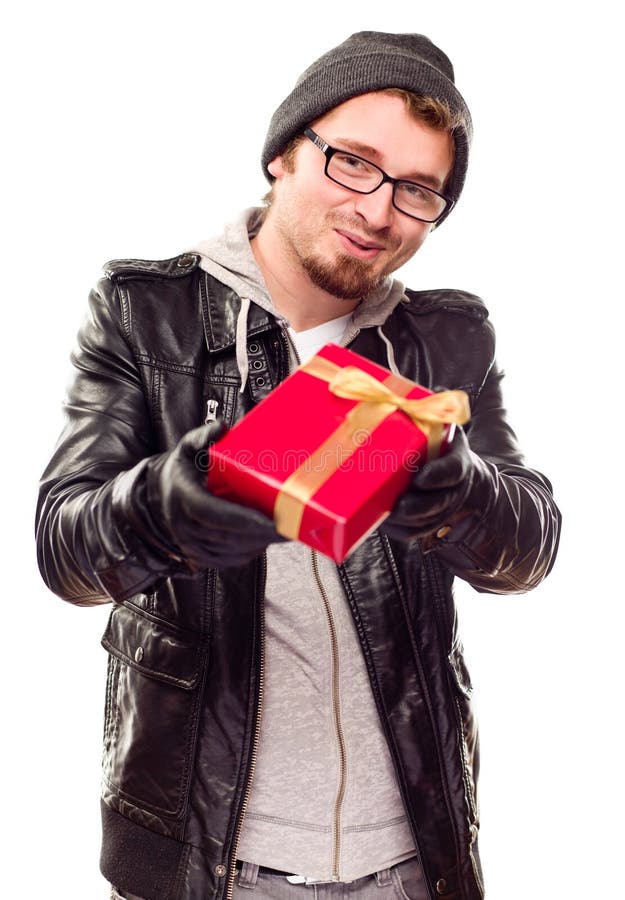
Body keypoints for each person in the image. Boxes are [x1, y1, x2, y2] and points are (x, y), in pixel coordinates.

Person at [35, 31, 561, 900]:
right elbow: (65, 550)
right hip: (208, 853)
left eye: (417, 189)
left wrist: (455, 490)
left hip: (411, 856)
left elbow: (528, 547)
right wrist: (168, 506)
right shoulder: (142, 312)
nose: (378, 208)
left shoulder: (446, 336)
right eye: (353, 162)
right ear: (284, 152)